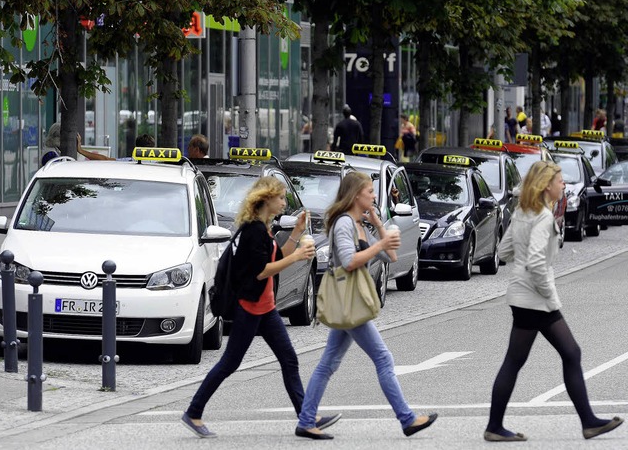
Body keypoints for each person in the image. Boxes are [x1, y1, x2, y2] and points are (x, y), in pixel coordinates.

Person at [181, 176, 341, 438]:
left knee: (289, 359)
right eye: (280, 198)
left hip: (266, 308)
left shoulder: (263, 229)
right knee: (229, 363)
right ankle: (194, 412)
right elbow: (260, 272)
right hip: (251, 307)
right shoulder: (253, 231)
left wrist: (298, 233)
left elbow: (279, 256)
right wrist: (299, 256)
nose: (283, 202)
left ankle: (306, 419)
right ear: (266, 199)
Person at [484, 161, 623, 442]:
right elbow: (535, 262)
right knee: (569, 353)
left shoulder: (523, 211)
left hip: (521, 294)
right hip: (536, 298)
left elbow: (504, 250)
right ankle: (588, 422)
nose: (564, 186)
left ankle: (496, 426)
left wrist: (522, 264)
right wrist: (549, 295)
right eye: (560, 181)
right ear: (547, 185)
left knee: (519, 359)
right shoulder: (543, 217)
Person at [295, 172, 438, 440]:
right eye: (370, 191)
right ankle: (407, 418)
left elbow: (391, 256)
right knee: (382, 358)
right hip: (350, 300)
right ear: (356, 194)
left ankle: (305, 419)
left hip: (352, 302)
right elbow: (349, 261)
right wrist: (380, 243)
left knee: (328, 362)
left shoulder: (360, 225)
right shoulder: (344, 224)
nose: (374, 196)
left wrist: (379, 227)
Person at [77, 133, 155, 160]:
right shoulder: (159, 163)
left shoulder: (131, 161)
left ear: (137, 148)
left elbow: (105, 159)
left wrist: (81, 150)